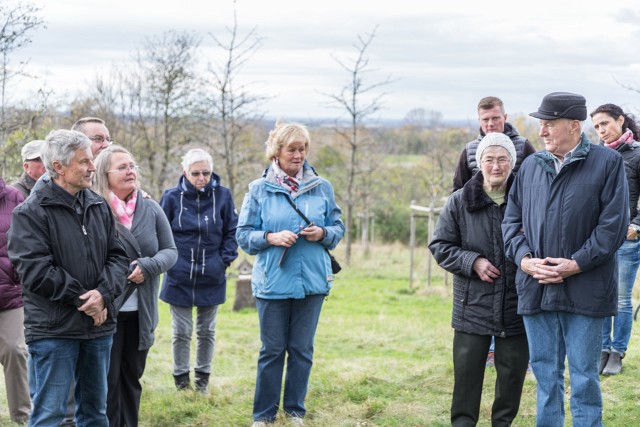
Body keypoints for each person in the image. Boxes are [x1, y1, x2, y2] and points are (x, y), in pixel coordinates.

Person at [503, 92, 629, 426]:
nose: (541, 131)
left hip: (586, 290)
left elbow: (613, 227)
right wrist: (525, 260)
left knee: (585, 380)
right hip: (537, 288)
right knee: (546, 379)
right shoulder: (529, 166)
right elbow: (511, 223)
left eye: (549, 124)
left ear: (574, 126)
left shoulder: (608, 163)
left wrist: (575, 264)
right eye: (541, 124)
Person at [7, 129, 129, 427]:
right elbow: (35, 270)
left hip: (98, 327)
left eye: (92, 160)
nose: (92, 167)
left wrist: (103, 295)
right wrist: (84, 299)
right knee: (50, 415)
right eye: (84, 161)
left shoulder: (98, 205)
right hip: (54, 330)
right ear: (58, 167)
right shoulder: (30, 213)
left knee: (95, 414)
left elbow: (118, 256)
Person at [236, 121, 345, 427]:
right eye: (292, 149)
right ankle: (264, 416)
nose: (299, 155)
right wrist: (270, 237)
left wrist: (322, 231)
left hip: (312, 281)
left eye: (303, 149)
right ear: (277, 151)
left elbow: (338, 230)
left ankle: (295, 411)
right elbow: (243, 235)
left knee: (302, 349)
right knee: (272, 350)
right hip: (273, 282)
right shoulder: (259, 189)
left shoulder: (322, 187)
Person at [429, 132, 529, 426]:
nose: (495, 166)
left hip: (516, 304)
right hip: (471, 304)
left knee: (511, 376)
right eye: (489, 159)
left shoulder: (525, 200)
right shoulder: (459, 202)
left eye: (502, 159)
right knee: (467, 376)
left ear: (512, 163)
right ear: (478, 162)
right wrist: (473, 262)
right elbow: (440, 246)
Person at [94, 146, 177, 427]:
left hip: (141, 313)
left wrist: (149, 266)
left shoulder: (150, 208)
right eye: (122, 167)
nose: (130, 171)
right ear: (104, 175)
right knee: (107, 381)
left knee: (132, 377)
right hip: (106, 312)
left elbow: (170, 251)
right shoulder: (93, 208)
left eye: (132, 166)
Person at [159, 148, 238, 393]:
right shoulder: (171, 197)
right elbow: (161, 231)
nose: (201, 178)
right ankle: (181, 381)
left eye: (206, 172)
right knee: (181, 332)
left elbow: (231, 231)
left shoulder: (223, 196)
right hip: (179, 274)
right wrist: (169, 261)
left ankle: (202, 381)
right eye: (196, 173)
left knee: (207, 331)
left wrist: (223, 260)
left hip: (211, 273)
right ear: (185, 172)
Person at [590, 103, 640, 376]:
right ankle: (602, 349)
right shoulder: (595, 155)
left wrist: (636, 226)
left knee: (621, 299)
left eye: (605, 124)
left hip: (627, 239)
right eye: (597, 127)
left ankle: (617, 352)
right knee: (599, 296)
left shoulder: (637, 154)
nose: (601, 131)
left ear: (620, 120)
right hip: (599, 239)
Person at [453, 96, 536, 191]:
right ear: (479, 121)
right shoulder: (469, 151)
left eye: (495, 118)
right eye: (485, 119)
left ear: (505, 118)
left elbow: (536, 184)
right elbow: (458, 190)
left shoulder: (524, 146)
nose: (490, 124)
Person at [0, 177, 30, 424]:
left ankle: (22, 415)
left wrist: (18, 274)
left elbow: (26, 241)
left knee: (15, 349)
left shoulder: (13, 197)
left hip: (9, 292)